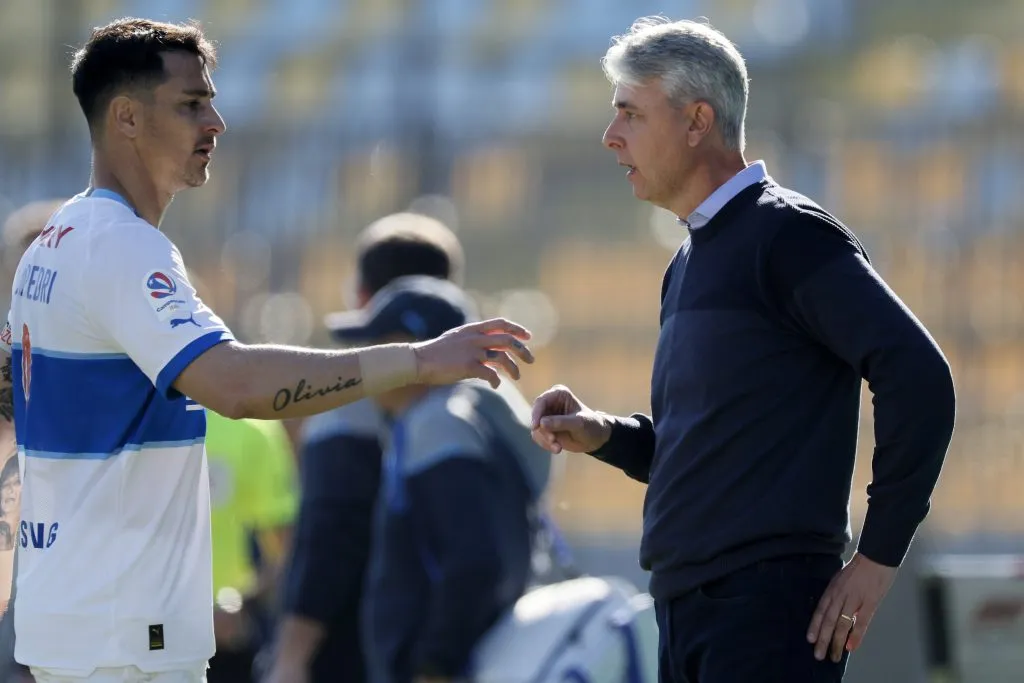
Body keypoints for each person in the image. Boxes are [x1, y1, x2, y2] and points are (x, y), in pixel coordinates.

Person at [0, 17, 532, 683]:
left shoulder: (53, 241)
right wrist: (418, 358)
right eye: (192, 103)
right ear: (128, 119)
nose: (216, 121)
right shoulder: (121, 244)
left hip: (73, 620)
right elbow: (236, 385)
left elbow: (13, 404)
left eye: (212, 100)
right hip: (123, 635)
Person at [530, 16, 956, 683]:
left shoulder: (788, 235)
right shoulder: (688, 260)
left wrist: (877, 558)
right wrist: (602, 434)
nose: (611, 137)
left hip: (768, 611)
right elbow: (703, 452)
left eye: (631, 114)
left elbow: (919, 375)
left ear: (698, 121)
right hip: (687, 612)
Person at [267, 211, 467, 683]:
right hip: (449, 646)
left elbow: (331, 532)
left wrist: (291, 655)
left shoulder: (350, 400)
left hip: (353, 651)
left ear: (364, 298)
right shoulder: (474, 398)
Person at [331, 276, 548, 683]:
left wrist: (435, 665)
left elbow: (475, 561)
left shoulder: (438, 423)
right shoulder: (439, 417)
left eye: (378, 343)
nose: (363, 357)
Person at [203, 410, 297, 683]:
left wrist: (242, 603)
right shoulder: (134, 420)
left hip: (230, 642)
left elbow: (285, 551)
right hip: (146, 633)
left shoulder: (253, 429)